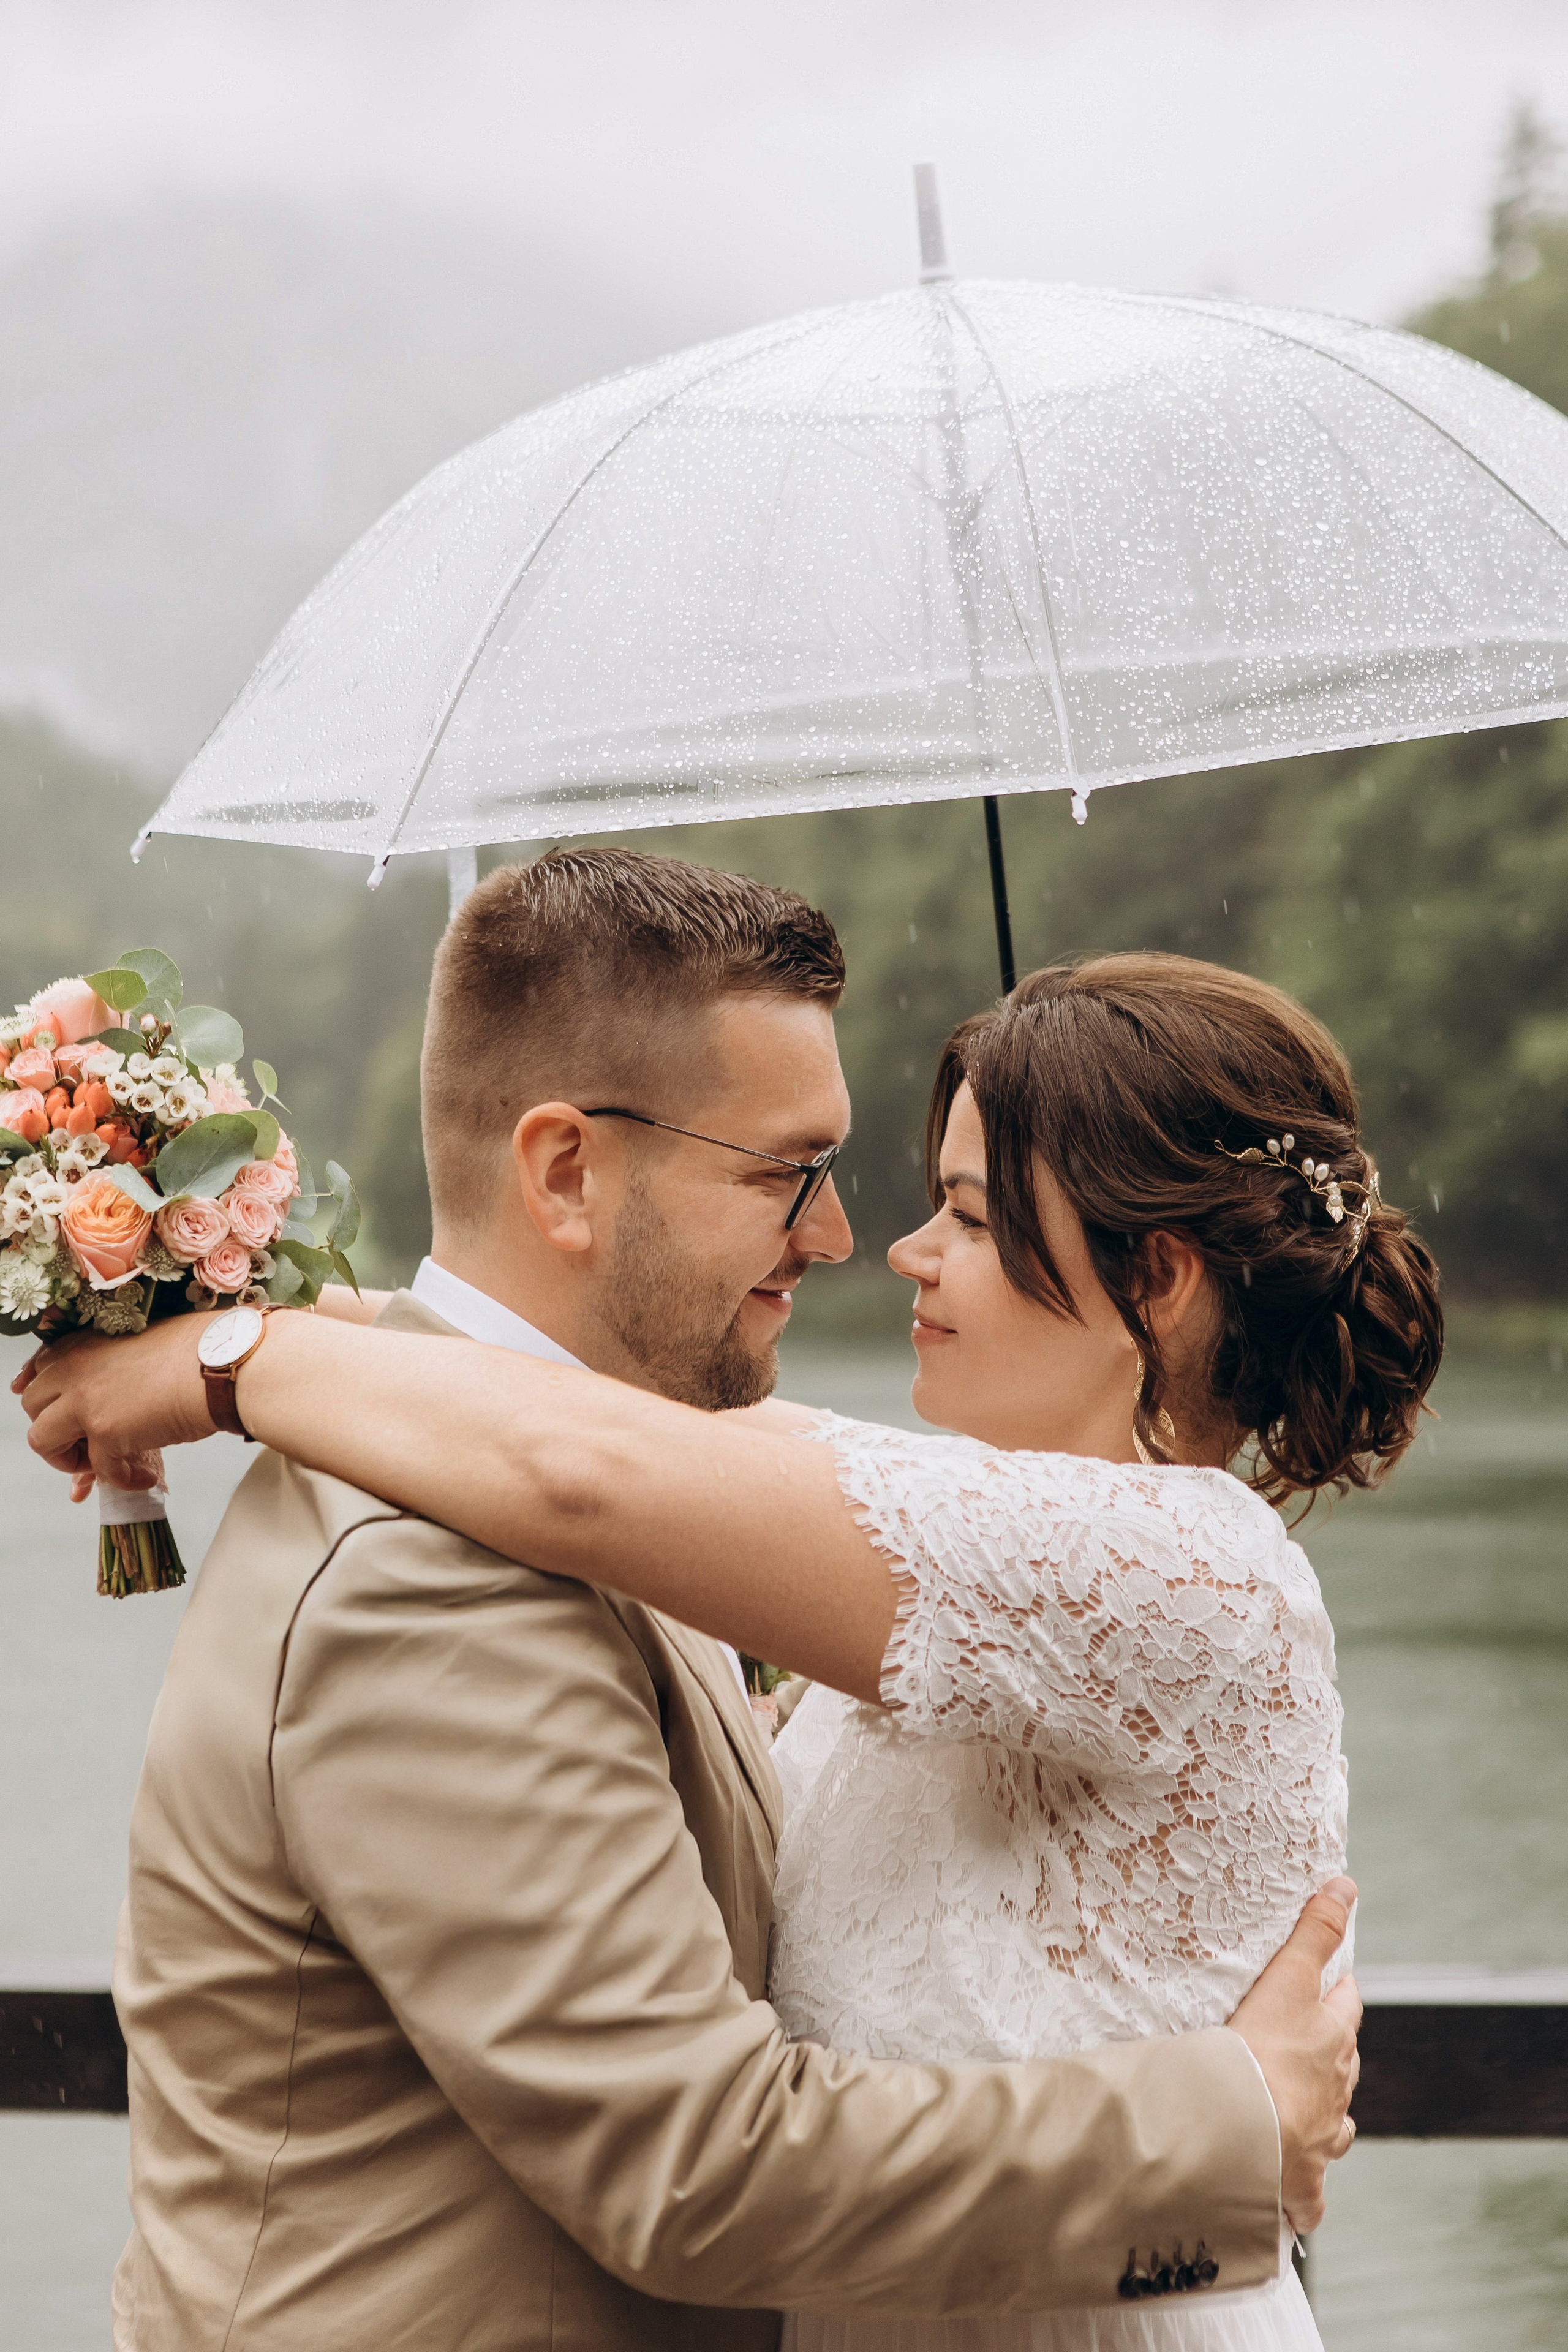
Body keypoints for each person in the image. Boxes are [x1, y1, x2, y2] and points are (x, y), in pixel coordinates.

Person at [22, 853, 1363, 2352]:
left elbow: (582, 1459)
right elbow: (698, 2167)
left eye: (969, 1217)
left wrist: (238, 1355)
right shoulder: (437, 1567)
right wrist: (1226, 2126)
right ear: (564, 1173)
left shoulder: (656, 1495)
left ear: (1160, 1278)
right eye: (784, 1170)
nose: (853, 1239)